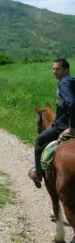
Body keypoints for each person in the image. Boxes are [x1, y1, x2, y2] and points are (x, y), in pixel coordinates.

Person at [29, 58, 75, 188]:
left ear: (66, 69)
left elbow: (71, 103)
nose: (55, 71)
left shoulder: (63, 84)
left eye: (58, 69)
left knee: (39, 140)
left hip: (62, 126)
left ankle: (38, 175)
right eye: (53, 69)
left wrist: (71, 128)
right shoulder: (72, 81)